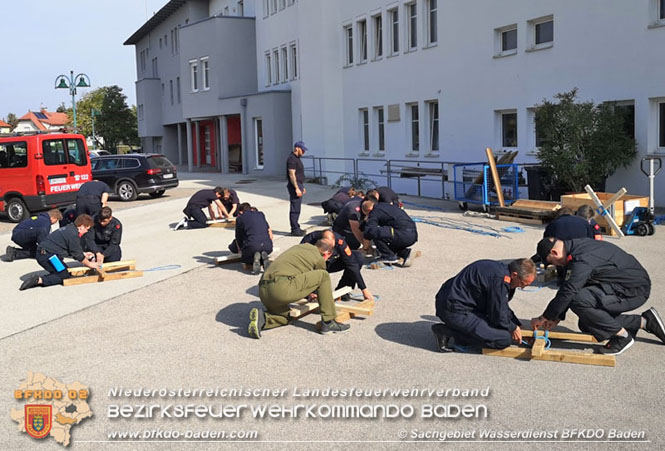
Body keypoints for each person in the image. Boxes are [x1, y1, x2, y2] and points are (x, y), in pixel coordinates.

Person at [531, 237, 665, 355]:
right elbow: (570, 285)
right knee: (587, 323)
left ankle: (623, 337)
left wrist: (544, 317)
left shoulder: (581, 259)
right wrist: (557, 317)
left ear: (554, 252)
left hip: (633, 291)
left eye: (552, 262)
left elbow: (569, 291)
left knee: (579, 301)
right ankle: (645, 322)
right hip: (621, 285)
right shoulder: (575, 248)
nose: (554, 265)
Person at [248, 240, 350, 338]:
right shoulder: (319, 258)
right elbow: (321, 282)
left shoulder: (299, 248)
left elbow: (299, 276)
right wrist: (321, 300)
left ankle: (264, 319)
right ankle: (329, 322)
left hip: (263, 291)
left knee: (287, 316)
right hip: (280, 289)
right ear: (327, 253)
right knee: (324, 275)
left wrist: (308, 293)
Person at [433, 259, 537, 352]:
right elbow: (498, 315)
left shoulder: (502, 271)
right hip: (455, 310)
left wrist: (518, 325)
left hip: (456, 303)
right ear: (514, 275)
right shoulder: (499, 280)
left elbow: (501, 306)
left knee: (500, 328)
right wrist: (513, 328)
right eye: (523, 284)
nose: (522, 287)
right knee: (503, 339)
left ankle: (462, 330)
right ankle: (448, 332)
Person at [19, 215, 100, 290]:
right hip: (47, 255)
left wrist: (84, 254)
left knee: (65, 270)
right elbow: (78, 256)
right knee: (64, 275)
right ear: (82, 227)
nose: (86, 231)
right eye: (87, 229)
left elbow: (72, 249)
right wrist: (90, 264)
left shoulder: (70, 228)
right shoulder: (73, 235)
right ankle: (38, 280)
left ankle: (49, 275)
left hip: (47, 253)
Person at [301, 229, 373, 302]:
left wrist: (364, 289)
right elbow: (301, 266)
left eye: (331, 249)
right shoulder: (308, 241)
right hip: (314, 267)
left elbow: (352, 264)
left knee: (357, 257)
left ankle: (342, 290)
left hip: (331, 263)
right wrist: (308, 291)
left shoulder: (339, 241)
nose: (330, 251)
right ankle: (312, 291)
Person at [362, 199, 418, 266]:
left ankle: (388, 256)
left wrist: (365, 249)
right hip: (412, 233)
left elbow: (369, 231)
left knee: (374, 232)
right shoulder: (384, 205)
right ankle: (406, 253)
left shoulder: (374, 212)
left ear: (368, 210)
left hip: (403, 234)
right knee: (388, 235)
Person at [228, 203, 273, 273]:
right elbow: (268, 229)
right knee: (258, 248)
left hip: (253, 246)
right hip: (268, 246)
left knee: (245, 258)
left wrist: (241, 249)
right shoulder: (260, 214)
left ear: (240, 212)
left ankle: (256, 259)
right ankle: (262, 258)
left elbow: (239, 236)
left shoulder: (240, 218)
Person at [286, 141, 307, 236]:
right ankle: (294, 229)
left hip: (299, 184)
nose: (304, 152)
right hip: (295, 186)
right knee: (295, 208)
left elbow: (298, 174)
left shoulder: (297, 159)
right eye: (302, 150)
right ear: (297, 148)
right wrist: (296, 188)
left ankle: (297, 227)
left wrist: (302, 187)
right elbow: (292, 174)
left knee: (297, 208)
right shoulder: (292, 159)